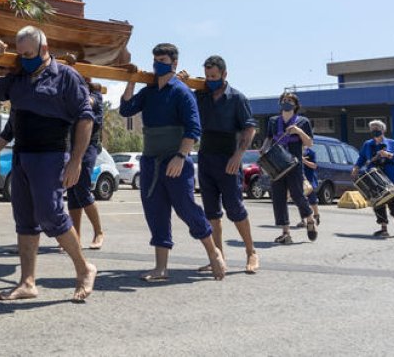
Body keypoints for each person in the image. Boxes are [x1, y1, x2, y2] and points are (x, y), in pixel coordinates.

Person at [0, 26, 97, 302]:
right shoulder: (17, 76)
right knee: (25, 221)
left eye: (29, 54)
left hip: (52, 156)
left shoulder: (66, 76)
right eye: (20, 54)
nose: (24, 59)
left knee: (52, 215)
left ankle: (84, 268)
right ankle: (27, 282)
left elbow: (85, 118)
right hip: (22, 157)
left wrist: (76, 161)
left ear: (45, 48)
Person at [120, 43, 225, 282]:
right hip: (150, 162)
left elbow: (194, 129)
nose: (158, 64)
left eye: (164, 60)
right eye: (156, 59)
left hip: (176, 161)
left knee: (186, 208)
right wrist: (131, 80)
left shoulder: (181, 92)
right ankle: (161, 268)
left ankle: (213, 252)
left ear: (174, 63)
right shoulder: (148, 93)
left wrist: (180, 156)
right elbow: (126, 110)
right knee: (155, 212)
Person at [194, 55, 259, 274]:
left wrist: (238, 156)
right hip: (205, 158)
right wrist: (182, 79)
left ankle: (251, 252)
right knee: (211, 212)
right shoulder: (201, 96)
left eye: (214, 76)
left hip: (229, 159)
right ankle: (218, 257)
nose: (210, 80)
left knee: (235, 208)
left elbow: (250, 129)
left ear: (224, 74)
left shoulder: (237, 98)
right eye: (207, 76)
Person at [262, 92, 318, 245]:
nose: (286, 102)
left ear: (295, 104)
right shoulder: (273, 121)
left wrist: (299, 131)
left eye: (290, 100)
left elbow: (309, 144)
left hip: (294, 164)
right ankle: (285, 233)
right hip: (276, 163)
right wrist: (264, 149)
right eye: (284, 100)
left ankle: (310, 218)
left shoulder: (303, 121)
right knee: (278, 197)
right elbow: (268, 138)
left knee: (297, 194)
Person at [68, 78, 106, 249]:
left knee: (82, 187)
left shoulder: (95, 95)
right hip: (71, 146)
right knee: (71, 189)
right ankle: (75, 235)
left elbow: (87, 102)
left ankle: (99, 232)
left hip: (89, 145)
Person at [351, 120, 394, 237]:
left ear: (383, 130)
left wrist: (388, 155)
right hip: (375, 179)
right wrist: (356, 168)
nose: (374, 130)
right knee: (378, 203)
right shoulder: (367, 144)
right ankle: (384, 228)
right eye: (372, 128)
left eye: (377, 128)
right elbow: (361, 157)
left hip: (393, 178)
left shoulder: (392, 143)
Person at [302, 147, 321, 226]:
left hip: (310, 180)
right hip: (300, 178)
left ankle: (316, 215)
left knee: (312, 199)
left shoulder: (311, 152)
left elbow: (314, 166)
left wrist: (304, 161)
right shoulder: (295, 150)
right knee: (301, 199)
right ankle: (303, 220)